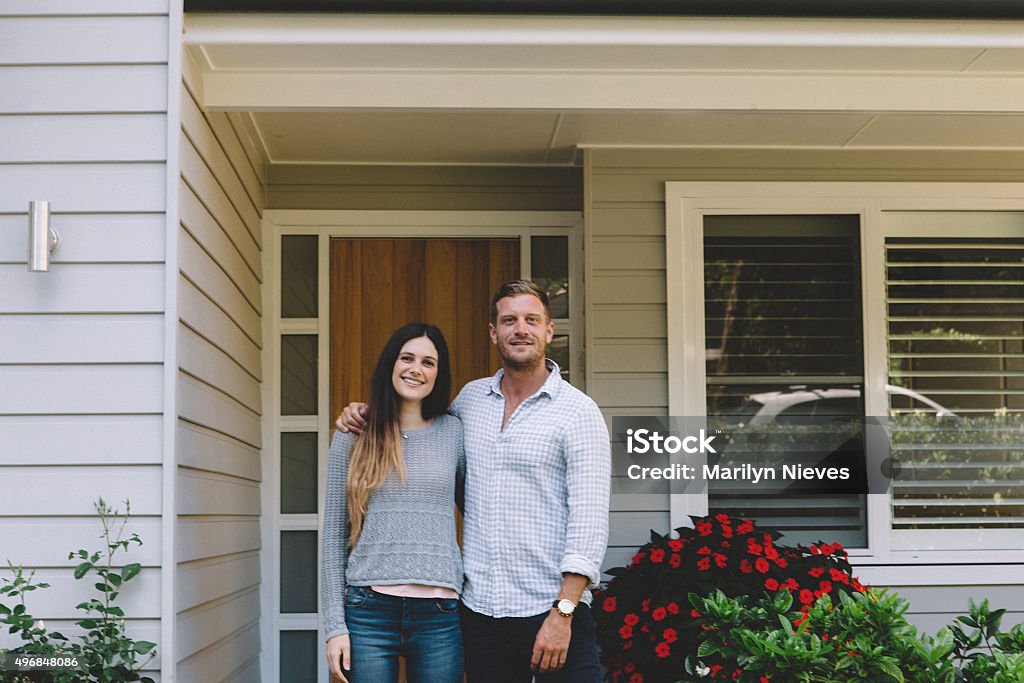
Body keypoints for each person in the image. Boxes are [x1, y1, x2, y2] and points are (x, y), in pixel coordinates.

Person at [338, 280, 610, 682]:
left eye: (531, 320)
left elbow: (589, 523)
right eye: (509, 320)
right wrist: (364, 413)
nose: (521, 329)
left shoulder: (578, 412)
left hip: (551, 608)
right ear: (493, 332)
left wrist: (563, 612)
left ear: (548, 331)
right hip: (482, 613)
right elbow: (424, 442)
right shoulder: (469, 402)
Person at [322, 322, 465, 683]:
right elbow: (332, 540)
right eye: (407, 358)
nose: (416, 369)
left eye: (428, 362)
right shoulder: (353, 434)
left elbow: (479, 514)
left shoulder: (454, 432)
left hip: (439, 612)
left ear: (438, 374)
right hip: (369, 611)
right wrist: (334, 627)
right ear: (391, 364)